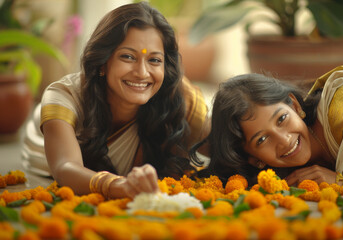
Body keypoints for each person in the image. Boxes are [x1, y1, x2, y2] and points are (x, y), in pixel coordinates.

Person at [21, 2, 209, 199]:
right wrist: (116, 185)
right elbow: (65, 167)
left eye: (154, 60)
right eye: (128, 57)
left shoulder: (175, 96)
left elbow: (226, 143)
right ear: (103, 61)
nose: (142, 73)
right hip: (44, 142)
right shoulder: (64, 96)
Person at [191, 62, 343, 187]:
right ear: (254, 159)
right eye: (262, 139)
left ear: (295, 105)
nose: (284, 140)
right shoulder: (287, 178)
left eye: (281, 119)